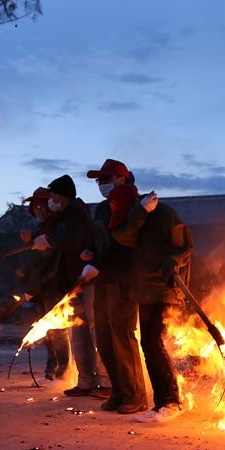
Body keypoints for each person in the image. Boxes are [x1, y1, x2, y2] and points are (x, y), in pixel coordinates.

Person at [110, 185, 194, 423]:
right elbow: (123, 236)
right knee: (150, 342)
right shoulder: (133, 218)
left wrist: (173, 260)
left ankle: (170, 402)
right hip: (144, 290)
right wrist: (139, 214)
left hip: (165, 287)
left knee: (152, 341)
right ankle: (167, 400)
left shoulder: (165, 214)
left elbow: (185, 246)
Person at [25, 175, 111, 398]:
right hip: (72, 282)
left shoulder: (76, 212)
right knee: (78, 331)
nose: (50, 200)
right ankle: (85, 381)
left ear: (62, 196)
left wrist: (49, 242)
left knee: (93, 329)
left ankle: (105, 382)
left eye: (53, 196)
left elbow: (72, 241)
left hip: (87, 279)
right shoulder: (59, 216)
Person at [83, 159, 148, 414]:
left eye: (106, 179)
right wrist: (90, 252)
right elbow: (99, 239)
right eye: (99, 181)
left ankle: (136, 395)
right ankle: (118, 391)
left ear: (122, 179)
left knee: (122, 334)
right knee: (104, 336)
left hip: (123, 279)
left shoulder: (135, 206)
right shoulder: (101, 209)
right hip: (102, 279)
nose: (102, 185)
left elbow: (127, 242)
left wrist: (100, 261)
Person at [17, 186, 65, 380]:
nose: (38, 209)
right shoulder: (39, 228)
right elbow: (38, 261)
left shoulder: (57, 226)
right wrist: (27, 272)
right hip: (42, 289)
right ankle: (52, 365)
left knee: (57, 328)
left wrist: (33, 285)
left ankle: (63, 367)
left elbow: (51, 260)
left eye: (41, 204)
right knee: (46, 330)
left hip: (54, 285)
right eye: (35, 205)